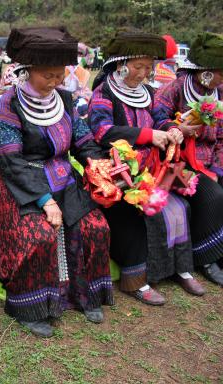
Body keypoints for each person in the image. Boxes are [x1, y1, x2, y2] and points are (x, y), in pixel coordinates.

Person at [0, 26, 114, 338]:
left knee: (94, 226)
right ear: (28, 71)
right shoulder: (7, 105)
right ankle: (30, 305)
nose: (55, 82)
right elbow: (10, 160)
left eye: (60, 75)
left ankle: (85, 294)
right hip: (20, 182)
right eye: (48, 75)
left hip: (61, 176)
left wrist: (99, 164)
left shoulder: (67, 101)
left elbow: (83, 142)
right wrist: (45, 200)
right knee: (39, 236)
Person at [89, 30, 204, 305]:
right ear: (121, 65)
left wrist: (172, 130)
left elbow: (160, 120)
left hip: (153, 169)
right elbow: (101, 130)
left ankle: (180, 268)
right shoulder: (103, 93)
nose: (144, 73)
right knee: (133, 212)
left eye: (148, 68)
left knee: (179, 207)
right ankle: (136, 280)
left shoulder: (148, 94)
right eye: (138, 67)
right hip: (119, 173)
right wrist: (148, 135)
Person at [153, 32, 223, 286]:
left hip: (209, 159)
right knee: (214, 195)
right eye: (220, 73)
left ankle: (220, 252)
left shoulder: (220, 93)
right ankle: (205, 257)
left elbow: (222, 138)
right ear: (205, 70)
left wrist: (217, 166)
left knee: (218, 183)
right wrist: (176, 128)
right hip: (178, 162)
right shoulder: (174, 88)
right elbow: (157, 116)